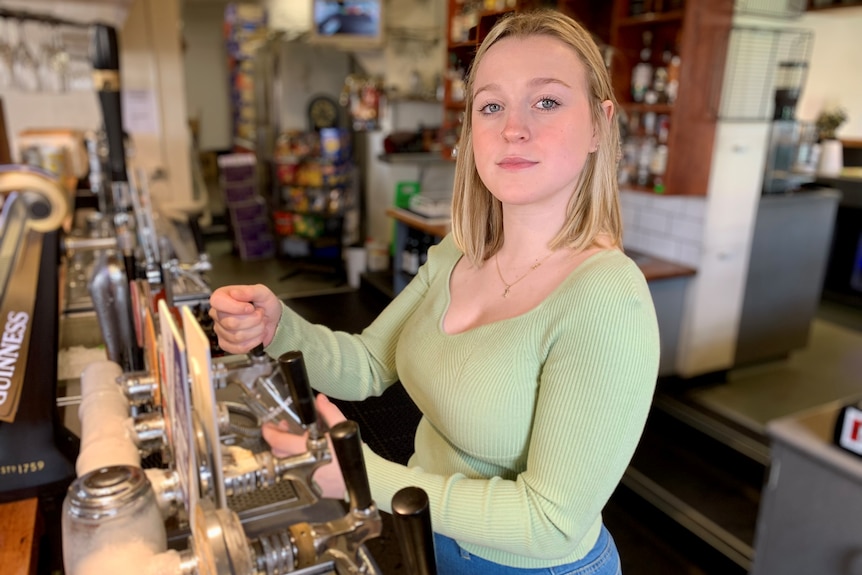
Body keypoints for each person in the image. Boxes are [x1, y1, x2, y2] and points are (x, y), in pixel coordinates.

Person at [209, 9, 659, 574]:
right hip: (432, 535)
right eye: (491, 105)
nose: (513, 127)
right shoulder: (459, 251)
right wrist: (277, 326)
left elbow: (550, 523)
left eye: (546, 101)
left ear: (599, 123)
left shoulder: (608, 299)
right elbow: (371, 364)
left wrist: (355, 471)